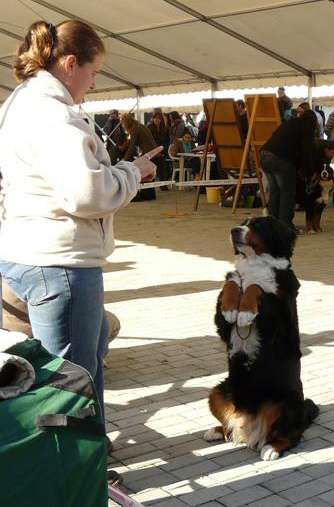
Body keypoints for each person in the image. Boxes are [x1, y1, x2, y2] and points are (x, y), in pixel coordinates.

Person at [0, 20, 155, 420]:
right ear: (70, 63)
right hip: (60, 263)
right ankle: (82, 469)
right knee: (71, 379)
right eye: (94, 71)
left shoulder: (17, 103)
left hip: (25, 251)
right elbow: (88, 195)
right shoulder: (55, 117)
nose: (95, 82)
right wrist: (132, 173)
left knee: (80, 352)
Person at [260, 111, 318, 232]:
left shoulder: (290, 122)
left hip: (264, 155)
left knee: (275, 191)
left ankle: (272, 224)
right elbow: (307, 153)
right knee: (287, 193)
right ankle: (285, 226)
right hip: (281, 159)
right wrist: (309, 173)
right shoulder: (307, 129)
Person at [148, 111, 169, 187]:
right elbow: (150, 141)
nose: (157, 120)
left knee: (163, 167)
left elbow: (166, 141)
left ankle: (163, 185)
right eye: (156, 118)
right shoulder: (149, 128)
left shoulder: (164, 128)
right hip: (151, 152)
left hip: (161, 151)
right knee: (152, 168)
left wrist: (162, 151)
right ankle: (151, 186)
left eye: (159, 118)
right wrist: (155, 152)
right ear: (153, 119)